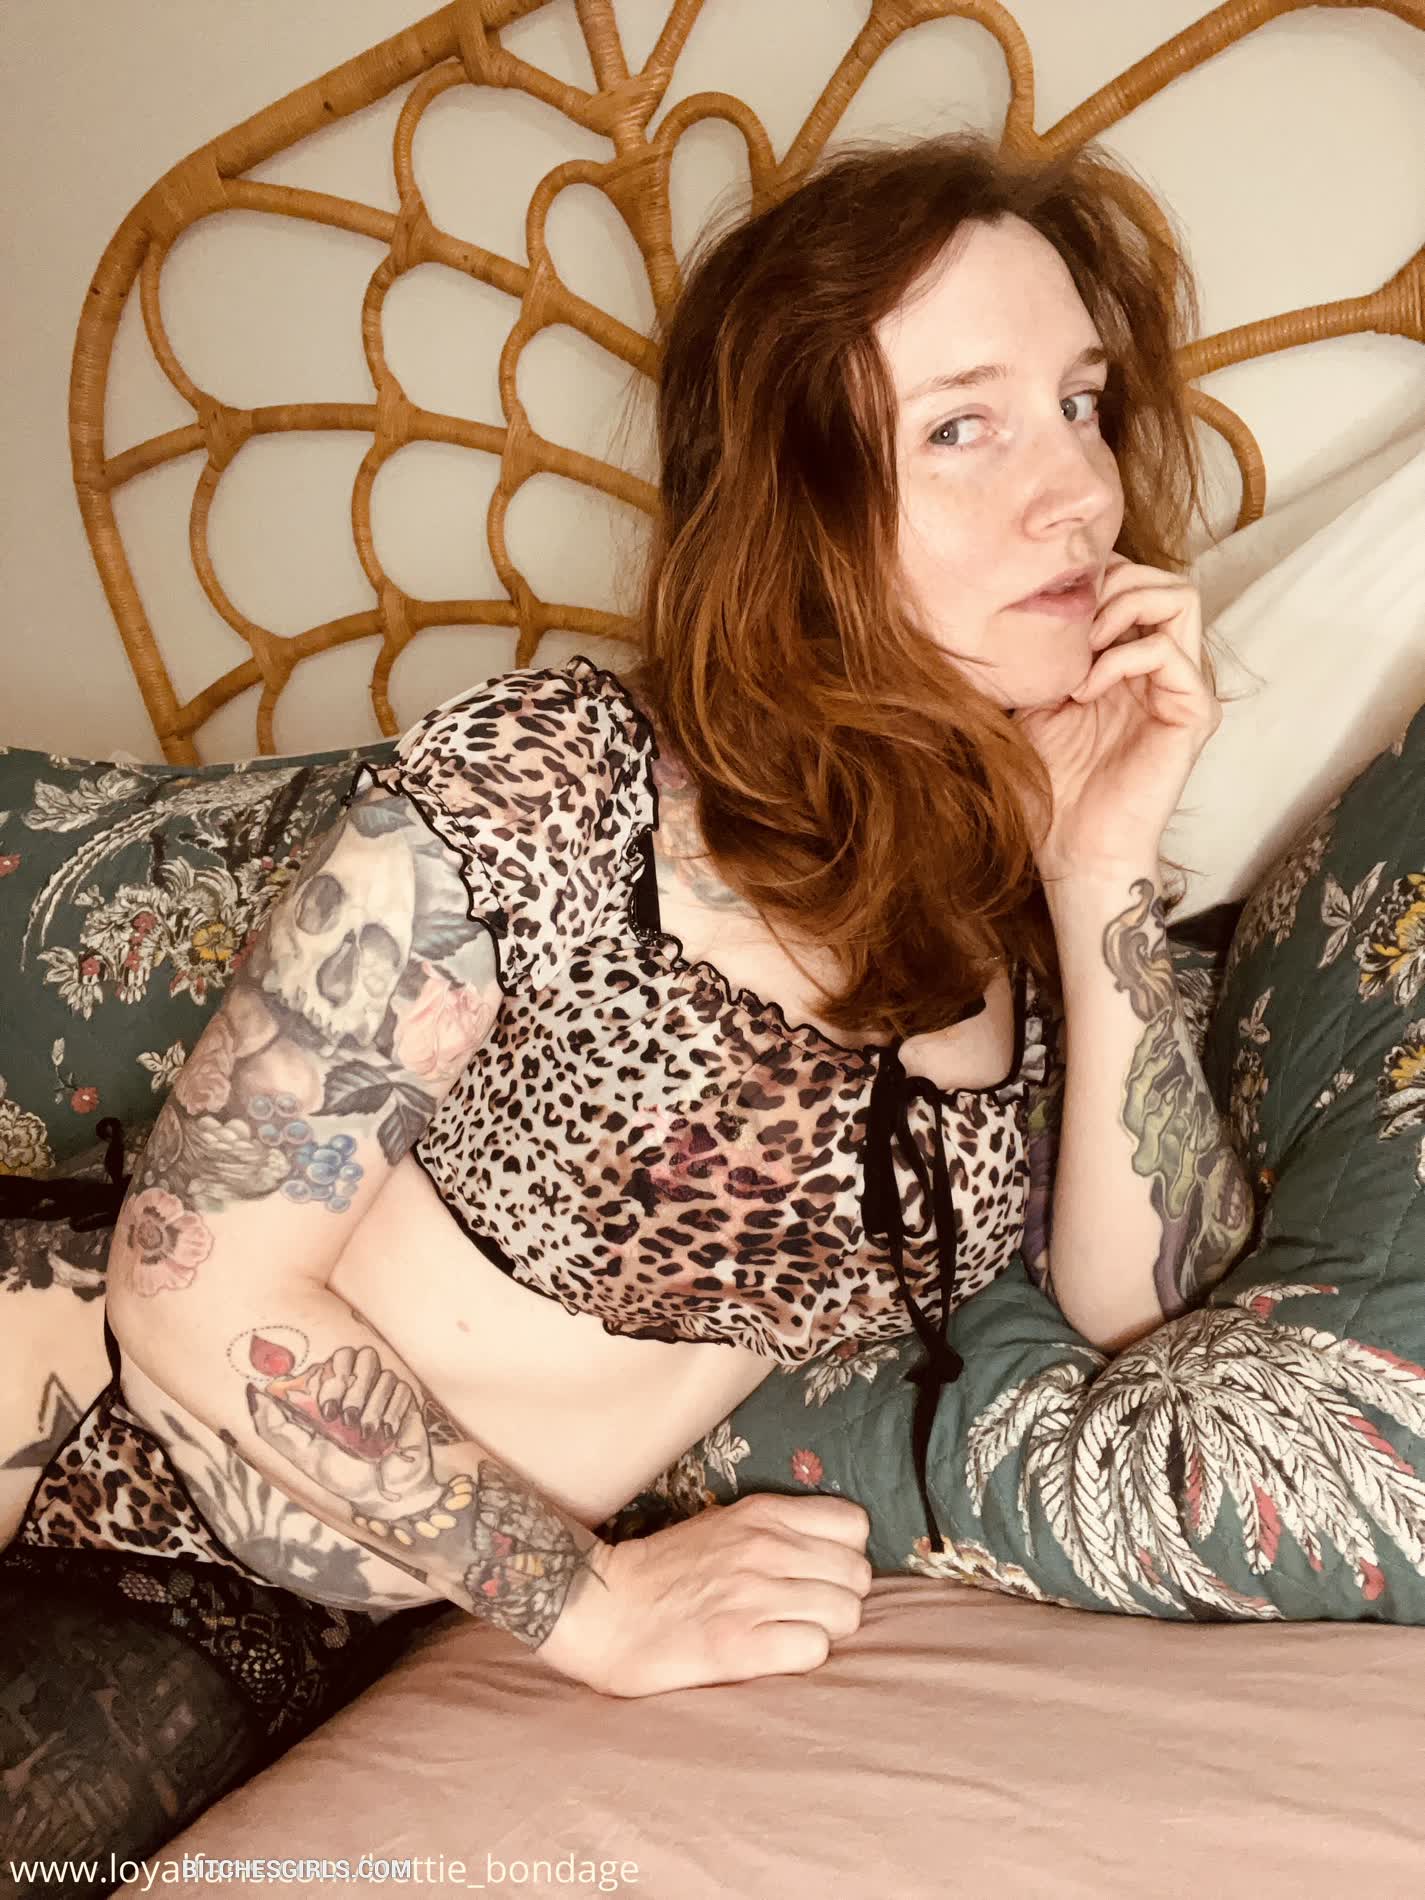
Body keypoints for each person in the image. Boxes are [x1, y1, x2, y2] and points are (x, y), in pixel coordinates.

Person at [1, 128, 1254, 1866]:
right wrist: (595, 1607)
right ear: (790, 498)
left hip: (327, 1608)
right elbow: (190, 1282)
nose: (1078, 495)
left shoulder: (1020, 893)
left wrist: (1099, 865)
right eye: (960, 426)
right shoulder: (564, 779)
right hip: (90, 1451)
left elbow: (1144, 1305)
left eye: (1080, 403)